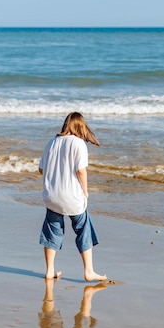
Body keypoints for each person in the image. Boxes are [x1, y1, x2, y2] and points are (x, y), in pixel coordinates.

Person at [38, 112, 107, 282]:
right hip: (72, 197)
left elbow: (41, 169)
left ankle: (49, 270)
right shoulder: (79, 144)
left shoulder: (51, 142)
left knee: (52, 230)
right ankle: (89, 271)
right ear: (80, 127)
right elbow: (81, 171)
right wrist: (85, 192)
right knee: (83, 229)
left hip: (52, 196)